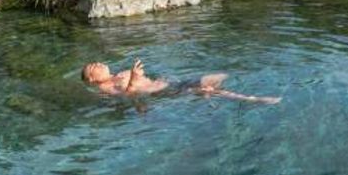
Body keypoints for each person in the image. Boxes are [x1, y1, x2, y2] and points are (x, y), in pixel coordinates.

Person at [81, 60, 280, 104]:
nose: (96, 63)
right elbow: (129, 96)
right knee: (209, 85)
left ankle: (213, 96)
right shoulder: (104, 87)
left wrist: (137, 75)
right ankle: (252, 100)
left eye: (96, 62)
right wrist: (133, 78)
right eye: (92, 67)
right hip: (165, 93)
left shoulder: (119, 73)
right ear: (91, 79)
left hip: (170, 84)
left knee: (219, 76)